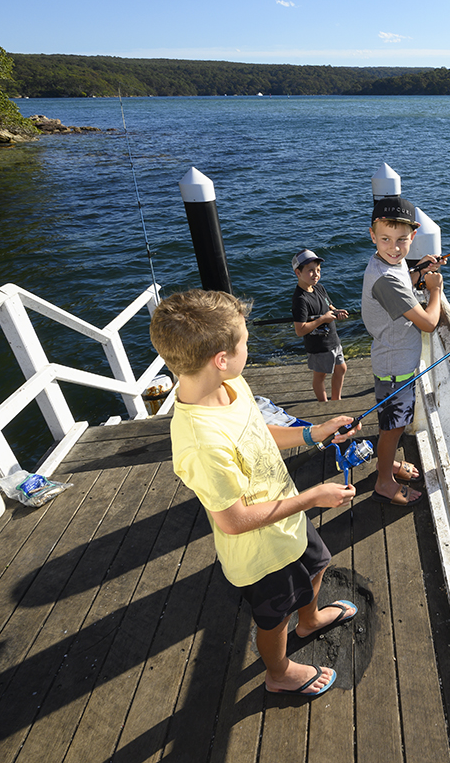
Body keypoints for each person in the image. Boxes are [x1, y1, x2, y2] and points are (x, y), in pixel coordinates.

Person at [149, 289, 359, 698]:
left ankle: (311, 619)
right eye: (244, 342)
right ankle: (278, 673)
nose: (249, 347)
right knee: (273, 619)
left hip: (288, 519)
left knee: (317, 566)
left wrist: (312, 433)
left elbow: (257, 434)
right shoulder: (200, 441)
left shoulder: (232, 385)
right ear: (220, 359)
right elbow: (233, 520)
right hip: (260, 555)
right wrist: (313, 496)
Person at [360, 196, 443, 505]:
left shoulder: (384, 264)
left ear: (413, 237)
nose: (394, 247)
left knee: (392, 427)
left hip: (391, 363)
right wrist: (434, 289)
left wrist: (419, 272)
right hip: (396, 370)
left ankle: (388, 463)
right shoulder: (386, 279)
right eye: (385, 239)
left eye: (402, 240)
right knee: (392, 429)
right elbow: (429, 323)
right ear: (373, 235)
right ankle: (384, 481)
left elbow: (400, 281)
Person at [290, 248, 349, 402]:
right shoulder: (300, 299)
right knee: (320, 375)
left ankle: (336, 399)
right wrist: (322, 320)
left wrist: (337, 312)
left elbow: (330, 306)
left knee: (341, 368)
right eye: (310, 271)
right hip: (318, 346)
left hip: (333, 340)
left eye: (318, 270)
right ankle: (324, 404)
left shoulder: (319, 288)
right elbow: (300, 330)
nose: (316, 274)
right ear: (298, 273)